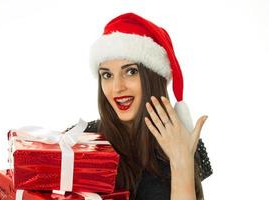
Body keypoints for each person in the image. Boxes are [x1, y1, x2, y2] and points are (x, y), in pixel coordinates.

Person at [70, 12, 212, 200]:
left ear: (152, 77)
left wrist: (181, 162)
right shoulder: (82, 140)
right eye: (107, 75)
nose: (117, 88)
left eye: (130, 71)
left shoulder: (182, 141)